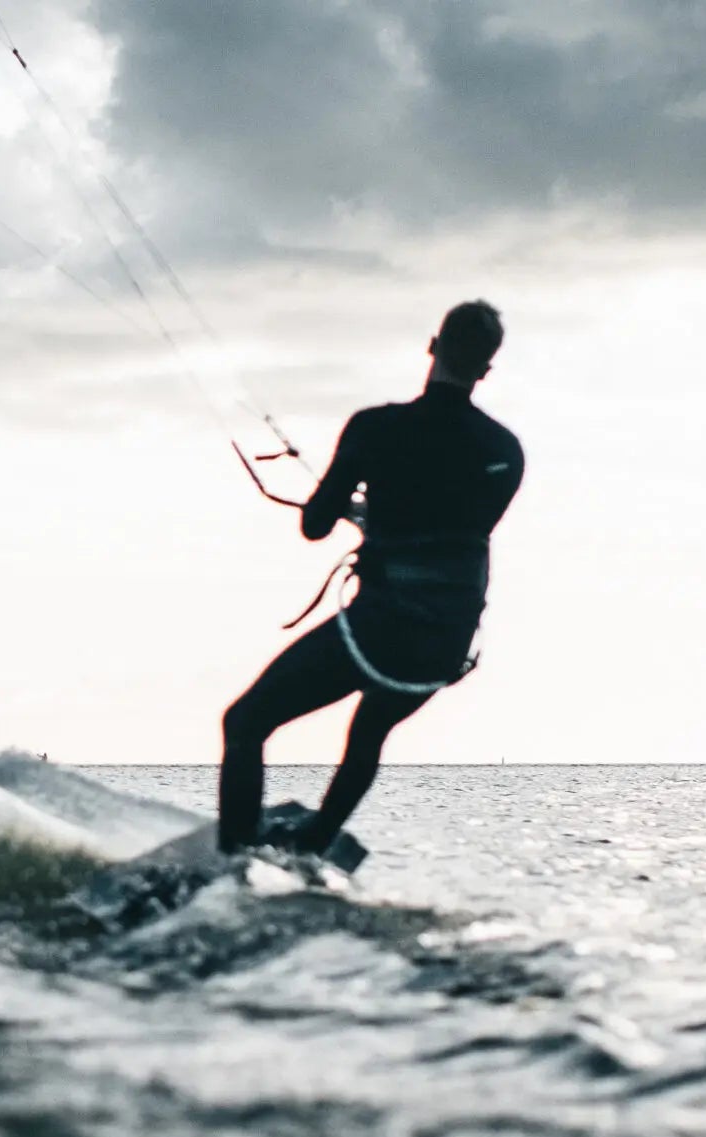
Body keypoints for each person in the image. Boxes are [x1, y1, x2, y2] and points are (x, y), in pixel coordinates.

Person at [218, 300, 525, 855]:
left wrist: (350, 507)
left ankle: (234, 866)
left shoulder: (375, 428)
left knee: (245, 722)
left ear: (433, 347)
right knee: (368, 734)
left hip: (377, 631)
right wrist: (381, 514)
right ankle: (315, 844)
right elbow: (453, 526)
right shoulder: (506, 452)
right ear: (485, 368)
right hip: (445, 645)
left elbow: (313, 526)